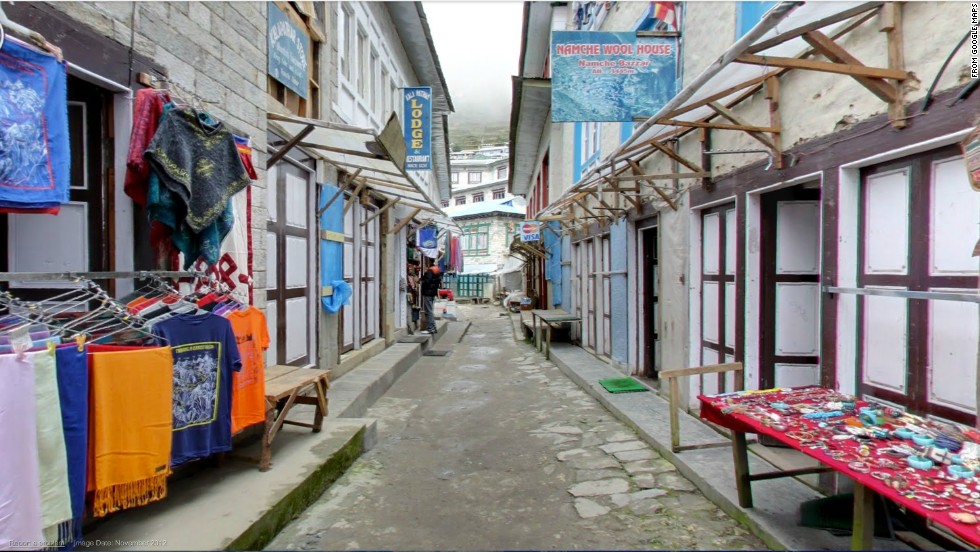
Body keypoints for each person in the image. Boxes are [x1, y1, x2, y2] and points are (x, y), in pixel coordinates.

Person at [419, 264, 442, 334]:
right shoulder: (436, 271)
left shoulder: (430, 271)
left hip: (427, 293)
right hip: (432, 293)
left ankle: (430, 328)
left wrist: (420, 281)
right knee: (430, 310)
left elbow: (427, 282)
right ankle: (433, 328)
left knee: (428, 311)